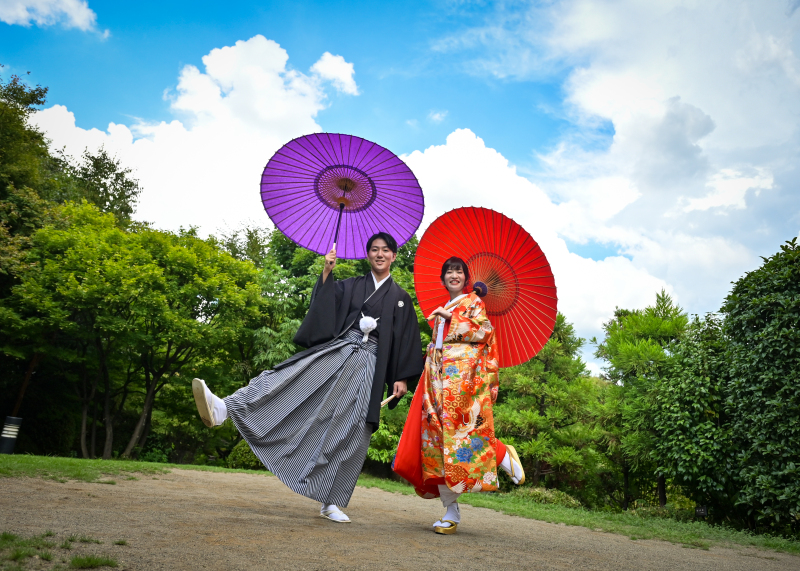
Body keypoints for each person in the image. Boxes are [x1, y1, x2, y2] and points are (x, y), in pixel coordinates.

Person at [192, 232, 423, 523]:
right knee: (289, 380)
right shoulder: (352, 285)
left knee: (352, 430)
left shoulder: (401, 299)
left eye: (385, 250)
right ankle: (225, 408)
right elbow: (326, 305)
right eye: (374, 250)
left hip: (370, 367)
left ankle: (331, 500)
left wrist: (401, 377)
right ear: (367, 255)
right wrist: (327, 272)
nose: (380, 254)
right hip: (340, 350)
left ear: (393, 256)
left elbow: (406, 340)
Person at [392, 256, 525, 535]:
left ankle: (501, 454)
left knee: (462, 433)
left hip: (461, 381)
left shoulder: (473, 302)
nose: (454, 276)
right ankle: (451, 511)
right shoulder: (443, 306)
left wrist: (453, 318)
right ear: (442, 280)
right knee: (436, 440)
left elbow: (485, 332)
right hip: (437, 380)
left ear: (466, 278)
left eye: (459, 272)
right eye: (449, 272)